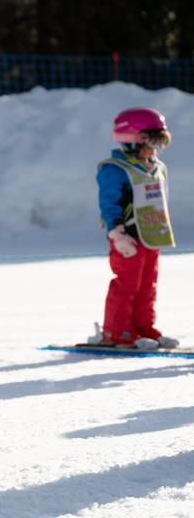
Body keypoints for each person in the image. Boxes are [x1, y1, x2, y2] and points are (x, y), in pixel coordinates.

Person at [92, 107, 178, 349]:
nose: (154, 150)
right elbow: (108, 203)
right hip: (127, 237)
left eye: (158, 144)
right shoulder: (115, 169)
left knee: (147, 285)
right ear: (131, 141)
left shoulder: (156, 167)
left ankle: (143, 327)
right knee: (127, 284)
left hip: (150, 235)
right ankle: (118, 332)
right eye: (150, 143)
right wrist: (116, 233)